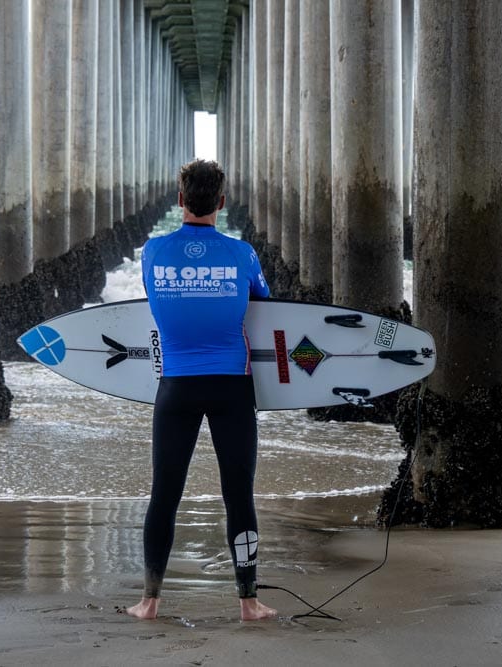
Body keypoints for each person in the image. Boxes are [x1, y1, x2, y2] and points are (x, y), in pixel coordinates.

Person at [126, 159, 277, 622]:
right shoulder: (243, 254)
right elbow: (266, 305)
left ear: (180, 200)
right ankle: (249, 602)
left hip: (176, 388)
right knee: (239, 495)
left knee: (165, 494)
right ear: (222, 202)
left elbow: (153, 297)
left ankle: (149, 602)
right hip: (233, 388)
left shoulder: (153, 251)